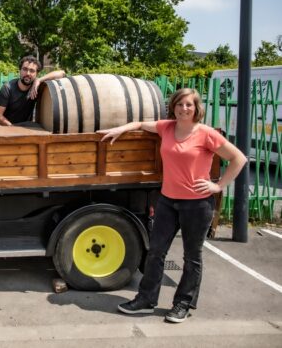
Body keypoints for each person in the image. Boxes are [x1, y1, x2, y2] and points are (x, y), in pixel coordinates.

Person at [98, 88, 247, 324]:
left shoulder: (206, 134)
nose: (184, 108)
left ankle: (182, 304)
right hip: (167, 201)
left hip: (197, 205)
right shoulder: (166, 127)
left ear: (196, 108)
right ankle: (146, 299)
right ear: (174, 107)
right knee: (156, 252)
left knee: (192, 257)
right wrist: (120, 129)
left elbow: (239, 158)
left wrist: (218, 186)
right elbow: (139, 124)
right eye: (179, 104)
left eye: (188, 104)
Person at [0, 55, 65, 126]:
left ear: (36, 74)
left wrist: (39, 80)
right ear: (20, 71)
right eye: (25, 69)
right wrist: (13, 128)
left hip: (25, 128)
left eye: (32, 71)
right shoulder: (8, 88)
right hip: (5, 127)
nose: (28, 73)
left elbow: (62, 73)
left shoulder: (36, 87)